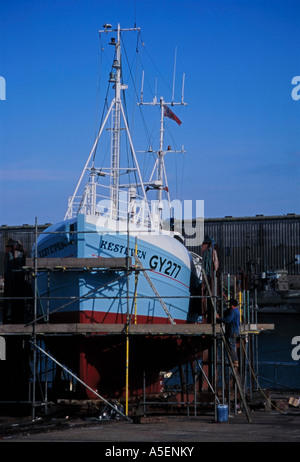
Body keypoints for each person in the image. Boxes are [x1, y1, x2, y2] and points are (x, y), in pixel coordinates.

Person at [217, 299, 240, 368]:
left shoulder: (233, 312)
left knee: (231, 347)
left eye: (230, 304)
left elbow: (228, 320)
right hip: (234, 331)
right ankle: (233, 360)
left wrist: (218, 319)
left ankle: (235, 361)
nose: (229, 306)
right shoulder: (236, 311)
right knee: (231, 346)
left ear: (232, 305)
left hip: (232, 331)